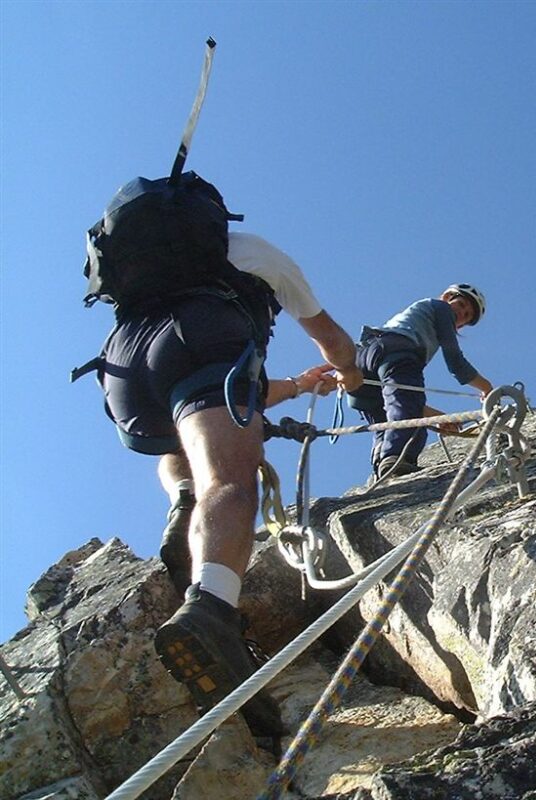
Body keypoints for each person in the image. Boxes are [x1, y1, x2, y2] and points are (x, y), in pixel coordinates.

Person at [96, 230, 362, 738]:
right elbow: (332, 340)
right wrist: (350, 373)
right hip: (198, 341)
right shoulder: (260, 255)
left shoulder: (154, 265)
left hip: (124, 370)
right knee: (232, 480)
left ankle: (184, 501)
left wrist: (302, 386)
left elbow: (244, 392)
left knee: (186, 441)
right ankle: (212, 611)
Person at [347, 284, 493, 479]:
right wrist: (488, 389)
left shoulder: (416, 316)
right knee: (412, 422)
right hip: (397, 351)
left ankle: (382, 471)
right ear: (448, 297)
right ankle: (396, 460)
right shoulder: (441, 308)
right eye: (461, 304)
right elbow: (455, 362)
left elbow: (398, 400)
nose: (461, 313)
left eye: (466, 316)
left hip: (363, 362)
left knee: (389, 422)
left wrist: (438, 417)